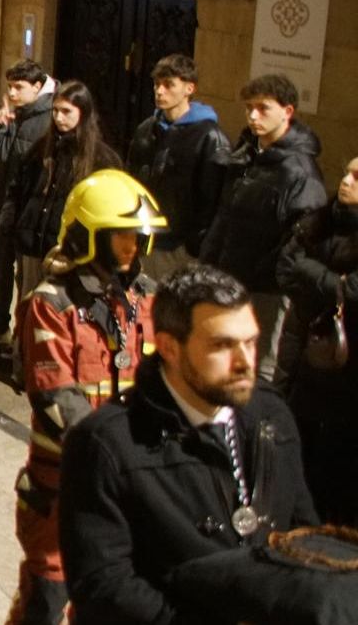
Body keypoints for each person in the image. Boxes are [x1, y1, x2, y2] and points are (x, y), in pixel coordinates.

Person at [59, 265, 319, 624]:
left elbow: (302, 532)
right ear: (169, 347)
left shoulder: (271, 415)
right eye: (222, 345)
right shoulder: (105, 444)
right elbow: (104, 587)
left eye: (250, 342)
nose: (246, 362)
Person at [8, 170, 164, 625]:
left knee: (106, 604)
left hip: (126, 486)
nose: (133, 247)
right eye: (121, 237)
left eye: (138, 237)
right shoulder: (52, 302)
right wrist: (121, 453)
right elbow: (56, 395)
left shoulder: (148, 298)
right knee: (47, 600)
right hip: (62, 485)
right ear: (88, 236)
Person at [200, 73, 326, 388]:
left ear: (288, 111)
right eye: (249, 108)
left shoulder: (300, 171)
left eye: (263, 108)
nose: (253, 116)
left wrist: (270, 274)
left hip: (265, 288)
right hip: (229, 276)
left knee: (258, 367)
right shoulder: (246, 155)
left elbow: (303, 237)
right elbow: (225, 216)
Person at [275, 154, 358, 525]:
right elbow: (286, 269)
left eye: (357, 177)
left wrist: (315, 276)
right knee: (300, 432)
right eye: (347, 172)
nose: (347, 181)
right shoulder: (320, 221)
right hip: (306, 347)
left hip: (347, 363)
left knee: (338, 449)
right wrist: (332, 284)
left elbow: (353, 292)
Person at [7, 80, 121, 335]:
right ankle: (21, 358)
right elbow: (19, 189)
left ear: (84, 113)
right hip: (34, 245)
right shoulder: (42, 149)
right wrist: (15, 223)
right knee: (28, 304)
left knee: (56, 314)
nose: (59, 117)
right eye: (55, 110)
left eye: (67, 111)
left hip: (69, 251)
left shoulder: (101, 159)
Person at [0, 60, 55, 344]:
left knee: (26, 277)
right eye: (10, 86)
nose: (13, 92)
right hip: (1, 206)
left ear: (38, 87)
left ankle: (23, 336)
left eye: (19, 87)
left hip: (26, 212)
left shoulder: (48, 119)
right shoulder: (12, 115)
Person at [126, 54, 228, 281]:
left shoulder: (209, 137)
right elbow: (132, 179)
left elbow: (212, 199)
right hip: (144, 238)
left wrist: (194, 244)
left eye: (169, 85)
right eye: (156, 85)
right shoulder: (146, 129)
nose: (160, 91)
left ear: (189, 88)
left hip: (178, 246)